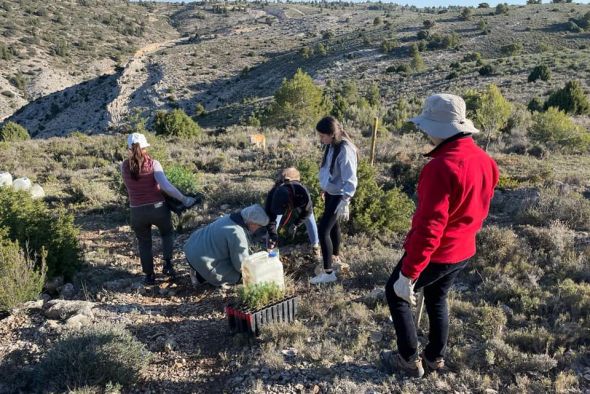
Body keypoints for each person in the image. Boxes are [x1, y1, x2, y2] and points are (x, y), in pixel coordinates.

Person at [381, 94, 499, 377]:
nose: (424, 131)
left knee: (395, 293)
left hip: (440, 251)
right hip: (465, 249)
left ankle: (408, 360)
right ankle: (435, 357)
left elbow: (430, 228)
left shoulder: (440, 168)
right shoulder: (485, 160)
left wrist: (408, 273)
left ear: (439, 129)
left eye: (426, 125)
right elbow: (482, 204)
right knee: (436, 296)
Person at [121, 132, 196, 285]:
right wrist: (184, 199)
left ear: (129, 148)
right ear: (145, 148)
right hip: (158, 208)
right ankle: (168, 264)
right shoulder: (153, 163)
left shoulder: (123, 166)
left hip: (137, 211)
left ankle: (149, 276)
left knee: (144, 243)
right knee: (167, 233)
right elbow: (166, 187)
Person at [310, 116, 358, 285]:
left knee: (323, 230)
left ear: (331, 134)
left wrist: (346, 200)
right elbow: (331, 171)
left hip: (340, 195)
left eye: (322, 136)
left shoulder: (345, 149)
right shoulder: (332, 145)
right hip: (332, 192)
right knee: (333, 226)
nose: (320, 139)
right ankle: (335, 256)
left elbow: (350, 177)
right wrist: (326, 188)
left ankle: (328, 272)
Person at [183, 204, 269, 287]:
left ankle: (198, 270)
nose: (260, 229)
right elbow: (241, 265)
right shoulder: (237, 234)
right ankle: (200, 277)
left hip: (190, 248)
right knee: (239, 276)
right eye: (260, 226)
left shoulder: (229, 217)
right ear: (252, 223)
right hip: (201, 260)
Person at [265, 167, 320, 260]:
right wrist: (273, 235)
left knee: (310, 219)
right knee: (273, 227)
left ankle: (315, 247)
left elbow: (307, 212)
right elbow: (271, 220)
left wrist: (295, 224)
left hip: (295, 196)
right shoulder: (272, 196)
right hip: (283, 199)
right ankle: (271, 254)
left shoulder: (302, 194)